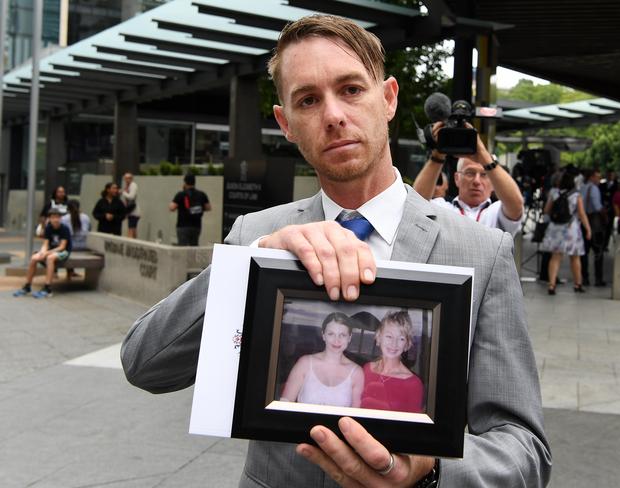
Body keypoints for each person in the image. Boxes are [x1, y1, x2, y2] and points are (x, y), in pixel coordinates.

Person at [121, 15, 550, 488]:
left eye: (350, 89)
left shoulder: (482, 251)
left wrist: (431, 469)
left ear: (387, 98)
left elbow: (523, 448)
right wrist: (254, 262)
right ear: (285, 122)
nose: (333, 115)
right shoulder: (256, 235)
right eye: (308, 99)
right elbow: (145, 365)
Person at [413, 148, 524, 235]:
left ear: (493, 183)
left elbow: (516, 205)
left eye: (484, 175)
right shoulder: (441, 208)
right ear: (457, 179)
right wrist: (437, 155)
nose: (476, 181)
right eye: (470, 173)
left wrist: (484, 155)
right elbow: (415, 203)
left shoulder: (496, 212)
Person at [280, 313, 363, 408]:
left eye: (342, 335)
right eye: (331, 334)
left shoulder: (356, 372)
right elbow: (285, 403)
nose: (337, 340)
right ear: (323, 335)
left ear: (349, 337)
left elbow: (356, 414)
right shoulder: (305, 363)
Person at [360, 311, 424, 413]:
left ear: (407, 345)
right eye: (389, 336)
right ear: (379, 338)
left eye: (401, 339)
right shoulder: (366, 369)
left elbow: (413, 427)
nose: (394, 344)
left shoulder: (413, 384)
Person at [540, 171, 591, 295]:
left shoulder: (554, 193)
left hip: (555, 228)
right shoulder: (576, 195)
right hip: (571, 228)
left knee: (555, 257)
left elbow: (546, 210)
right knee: (575, 257)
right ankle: (578, 284)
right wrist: (588, 229)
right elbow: (582, 214)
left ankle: (551, 285)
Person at [13, 208, 71, 299]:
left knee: (50, 258)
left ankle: (48, 288)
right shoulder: (48, 228)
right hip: (50, 251)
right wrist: (42, 252)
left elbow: (62, 247)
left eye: (57, 217)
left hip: (64, 252)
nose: (55, 219)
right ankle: (27, 286)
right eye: (53, 217)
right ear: (49, 219)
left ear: (61, 218)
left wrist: (47, 253)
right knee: (34, 258)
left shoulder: (64, 229)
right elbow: (45, 244)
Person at [579, 169, 607, 286]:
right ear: (591, 177)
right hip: (594, 223)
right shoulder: (594, 188)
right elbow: (597, 206)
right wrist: (605, 214)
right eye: (597, 176)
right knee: (598, 251)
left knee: (584, 252)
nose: (599, 179)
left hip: (583, 221)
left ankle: (585, 277)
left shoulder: (582, 188)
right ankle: (598, 278)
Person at [170, 173, 211, 246]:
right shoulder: (201, 194)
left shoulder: (181, 194)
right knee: (194, 248)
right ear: (194, 182)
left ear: (185, 182)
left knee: (182, 249)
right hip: (196, 226)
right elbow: (208, 208)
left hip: (182, 226)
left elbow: (172, 208)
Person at [61, 199, 92, 279]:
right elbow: (89, 230)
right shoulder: (86, 217)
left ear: (67, 208)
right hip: (84, 246)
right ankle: (71, 272)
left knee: (65, 243)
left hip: (70, 248)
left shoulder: (64, 219)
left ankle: (69, 272)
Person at [599, 169, 618, 251]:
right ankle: (600, 243)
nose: (610, 177)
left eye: (612, 175)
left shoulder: (617, 185)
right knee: (601, 226)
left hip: (611, 208)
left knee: (609, 227)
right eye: (609, 175)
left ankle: (605, 244)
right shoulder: (602, 185)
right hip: (602, 208)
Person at [122, 172, 140, 239]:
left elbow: (131, 197)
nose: (126, 180)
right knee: (133, 228)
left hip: (134, 211)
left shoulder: (133, 185)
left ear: (131, 179)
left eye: (128, 178)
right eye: (125, 178)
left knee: (131, 229)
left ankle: (131, 243)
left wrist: (123, 192)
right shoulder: (128, 186)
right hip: (130, 211)